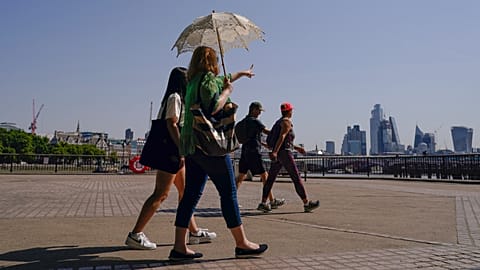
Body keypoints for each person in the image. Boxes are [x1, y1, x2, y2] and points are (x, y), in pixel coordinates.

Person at [169, 46, 268, 260]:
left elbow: (225, 77)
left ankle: (179, 247)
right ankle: (242, 243)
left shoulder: (192, 82)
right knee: (228, 193)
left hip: (193, 146)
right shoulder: (207, 81)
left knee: (190, 196)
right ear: (212, 61)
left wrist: (241, 74)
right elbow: (214, 107)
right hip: (211, 147)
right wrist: (227, 93)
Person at [125, 67, 216, 250]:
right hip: (171, 151)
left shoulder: (178, 98)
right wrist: (182, 148)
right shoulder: (175, 97)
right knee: (161, 193)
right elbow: (171, 123)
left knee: (185, 193)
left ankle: (194, 232)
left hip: (173, 150)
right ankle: (135, 234)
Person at [257, 102, 320, 213]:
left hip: (280, 153)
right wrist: (275, 152)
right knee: (296, 177)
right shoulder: (286, 122)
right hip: (285, 154)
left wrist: (296, 148)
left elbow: (282, 139)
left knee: (270, 179)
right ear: (290, 111)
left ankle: (263, 203)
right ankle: (306, 203)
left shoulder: (278, 122)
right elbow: (282, 137)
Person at [236, 101, 285, 209]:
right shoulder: (255, 121)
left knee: (240, 176)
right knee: (264, 176)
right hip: (254, 152)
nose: (260, 113)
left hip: (245, 151)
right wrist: (281, 132)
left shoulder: (242, 122)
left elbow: (245, 137)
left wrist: (263, 143)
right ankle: (271, 200)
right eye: (259, 111)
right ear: (254, 109)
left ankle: (231, 200)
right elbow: (267, 132)